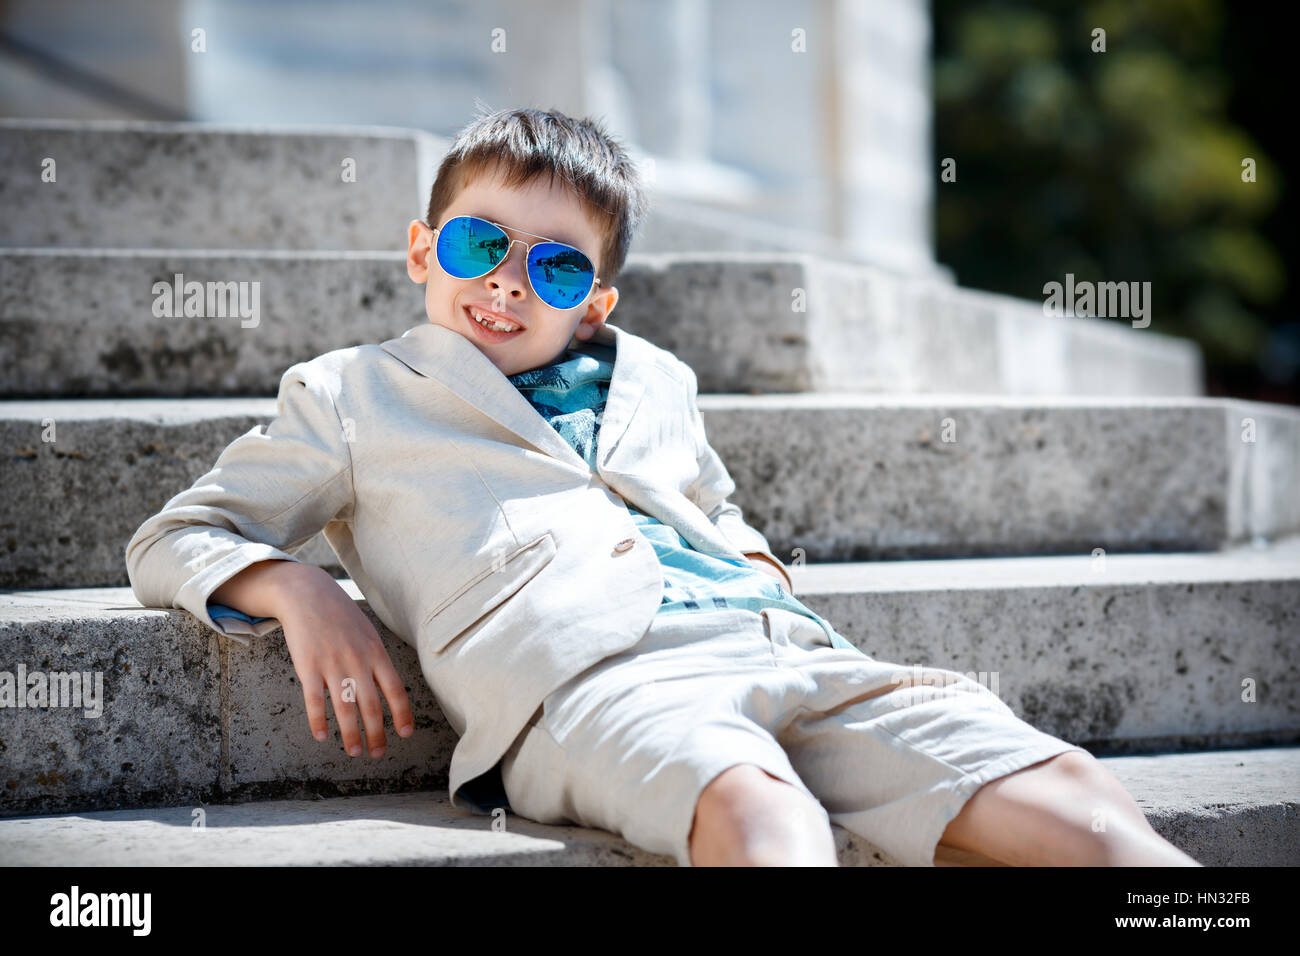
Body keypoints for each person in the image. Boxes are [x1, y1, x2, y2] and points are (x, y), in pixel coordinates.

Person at [125, 106, 1200, 867]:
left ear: (593, 302)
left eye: (551, 267)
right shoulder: (354, 392)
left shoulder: (655, 380)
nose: (506, 278)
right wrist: (293, 586)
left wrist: (759, 572)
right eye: (479, 242)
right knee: (764, 821)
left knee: (1083, 805)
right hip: (595, 681)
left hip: (782, 646)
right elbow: (178, 531)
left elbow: (715, 505)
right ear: (421, 249)